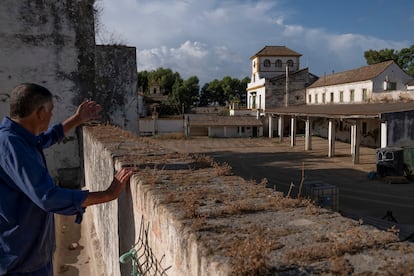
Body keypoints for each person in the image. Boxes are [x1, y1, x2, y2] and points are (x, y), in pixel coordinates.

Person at [0, 83, 134, 275]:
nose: (51, 116)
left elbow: (46, 139)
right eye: (51, 111)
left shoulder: (20, 139)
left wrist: (77, 119)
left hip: (31, 255)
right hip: (20, 261)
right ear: (40, 113)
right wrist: (107, 194)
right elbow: (48, 197)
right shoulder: (11, 144)